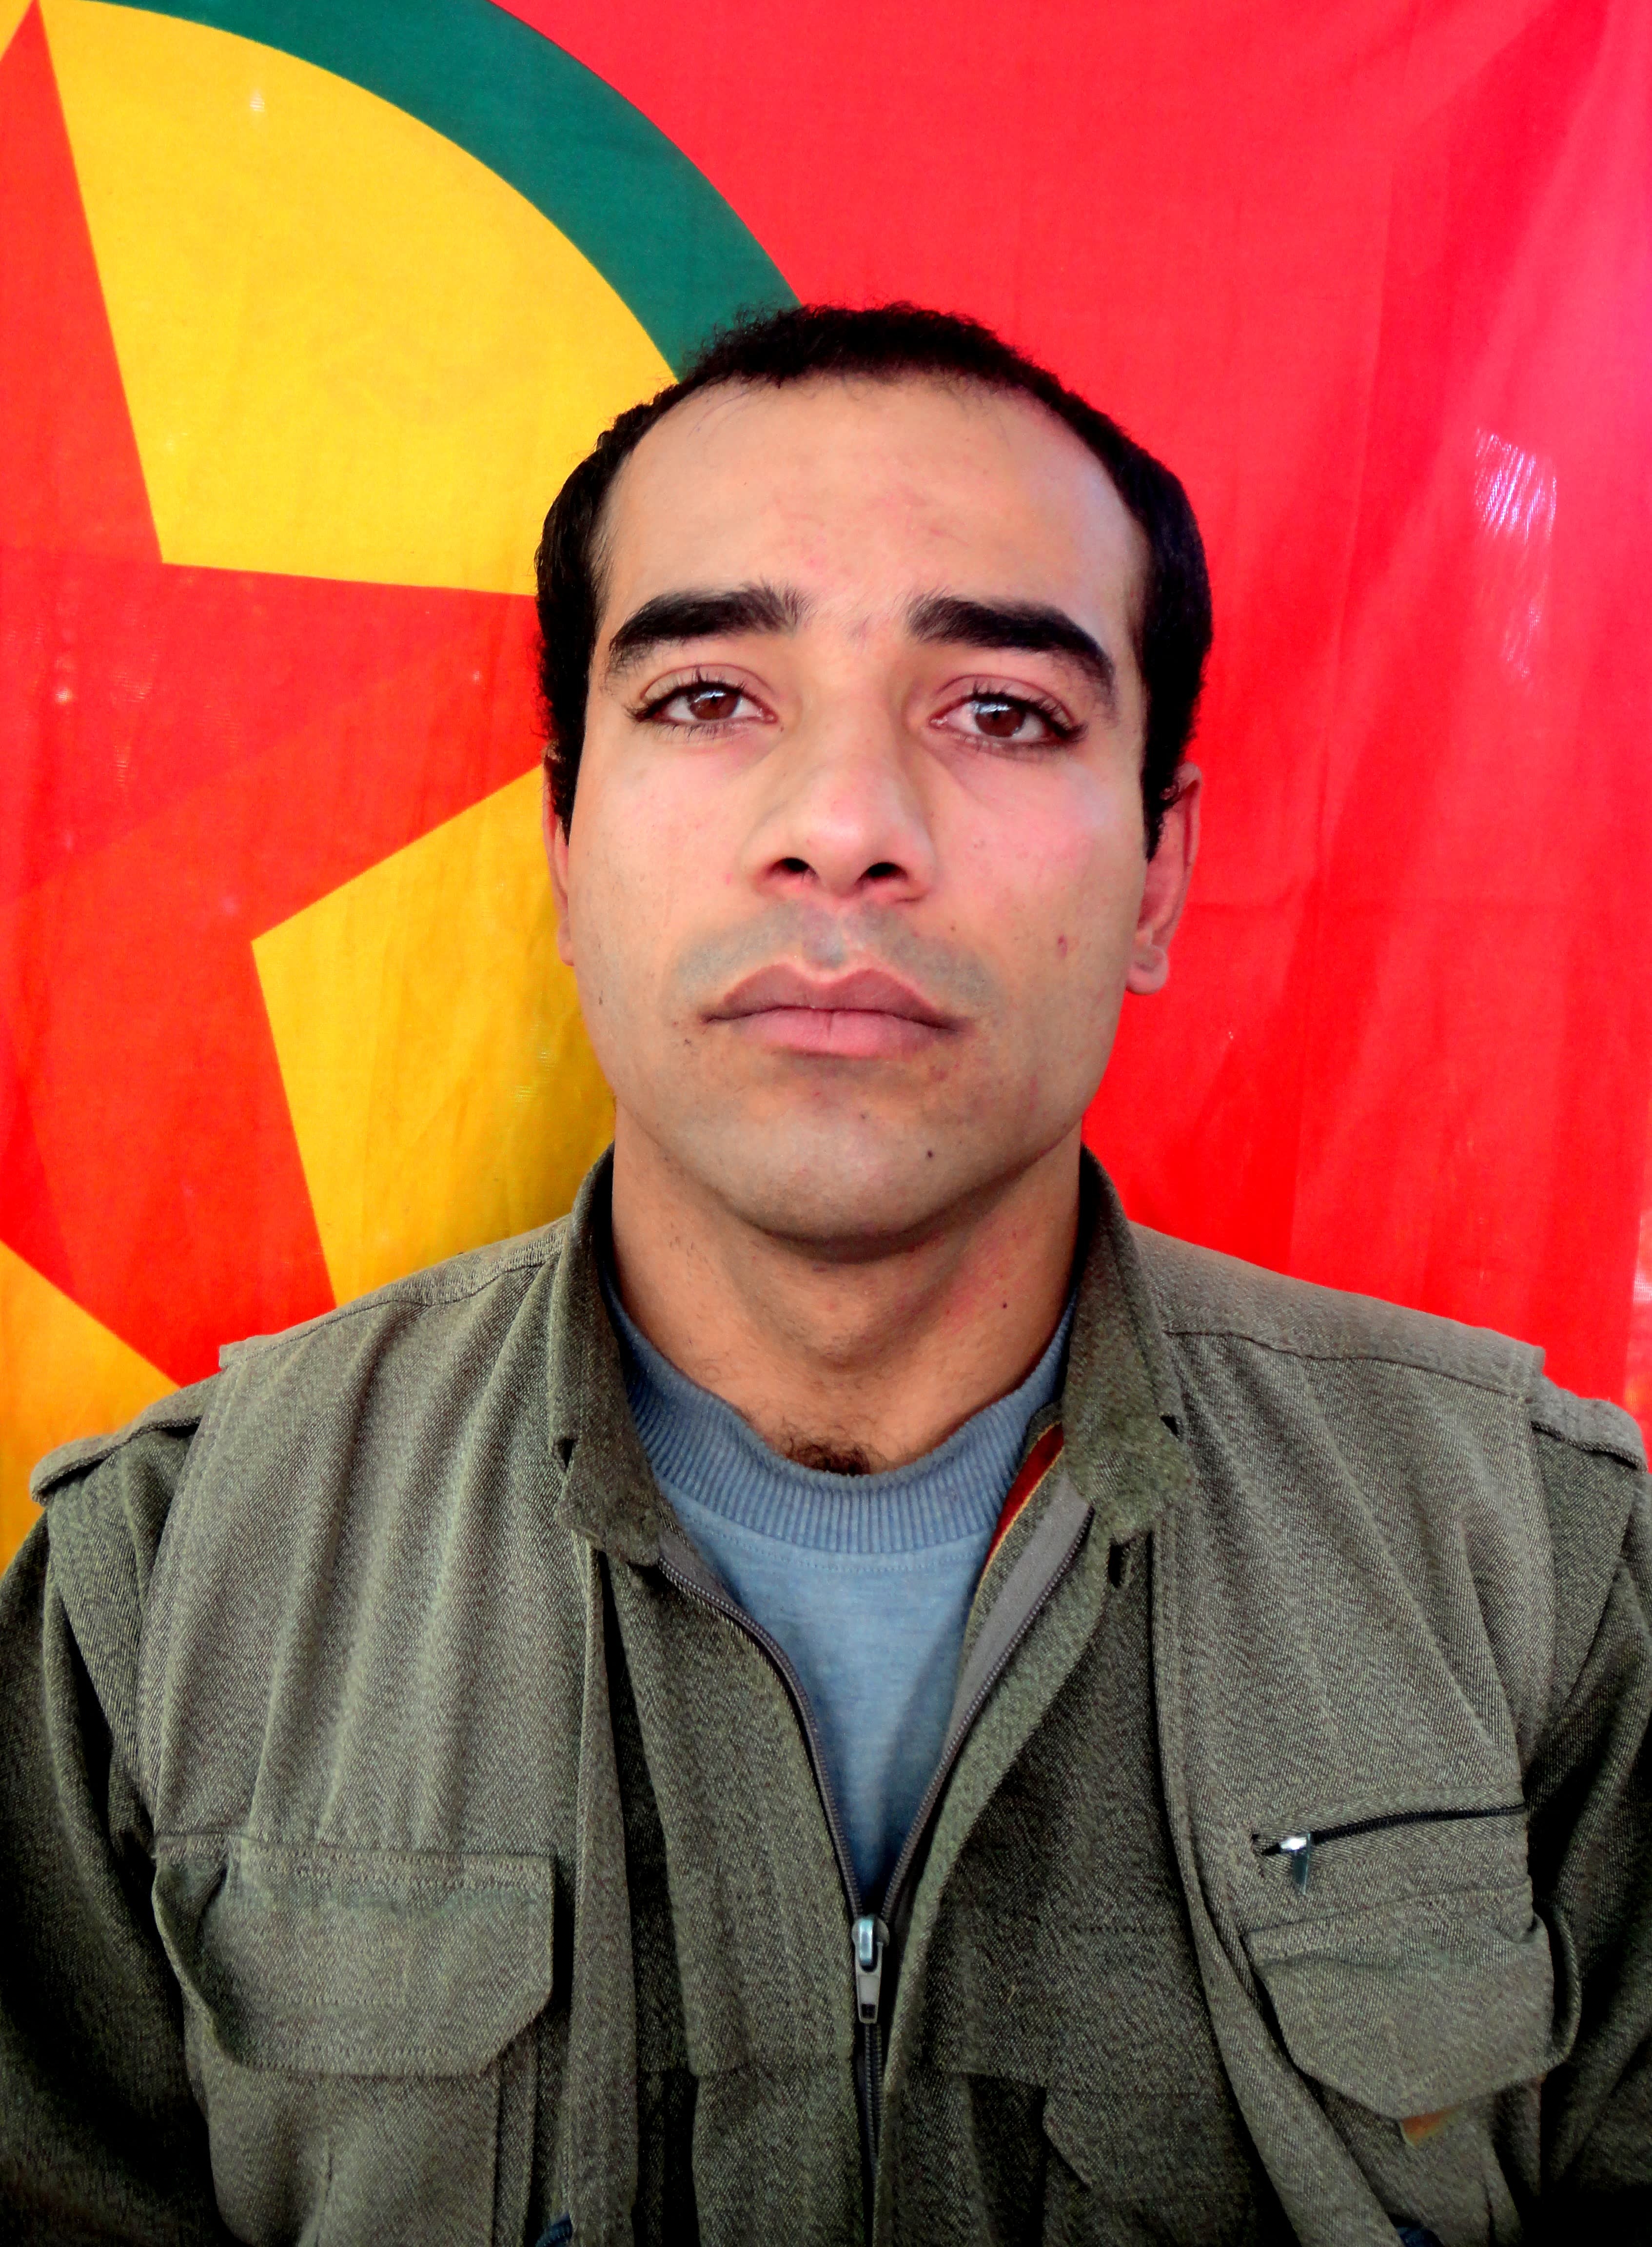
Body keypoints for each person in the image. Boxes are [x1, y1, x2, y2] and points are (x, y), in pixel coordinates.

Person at [1, 304, 1647, 2247]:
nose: (847, 831)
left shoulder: (1537, 1575)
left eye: (1002, 712)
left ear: (1159, 871)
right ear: (561, 844)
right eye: (709, 696)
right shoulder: (169, 1590)